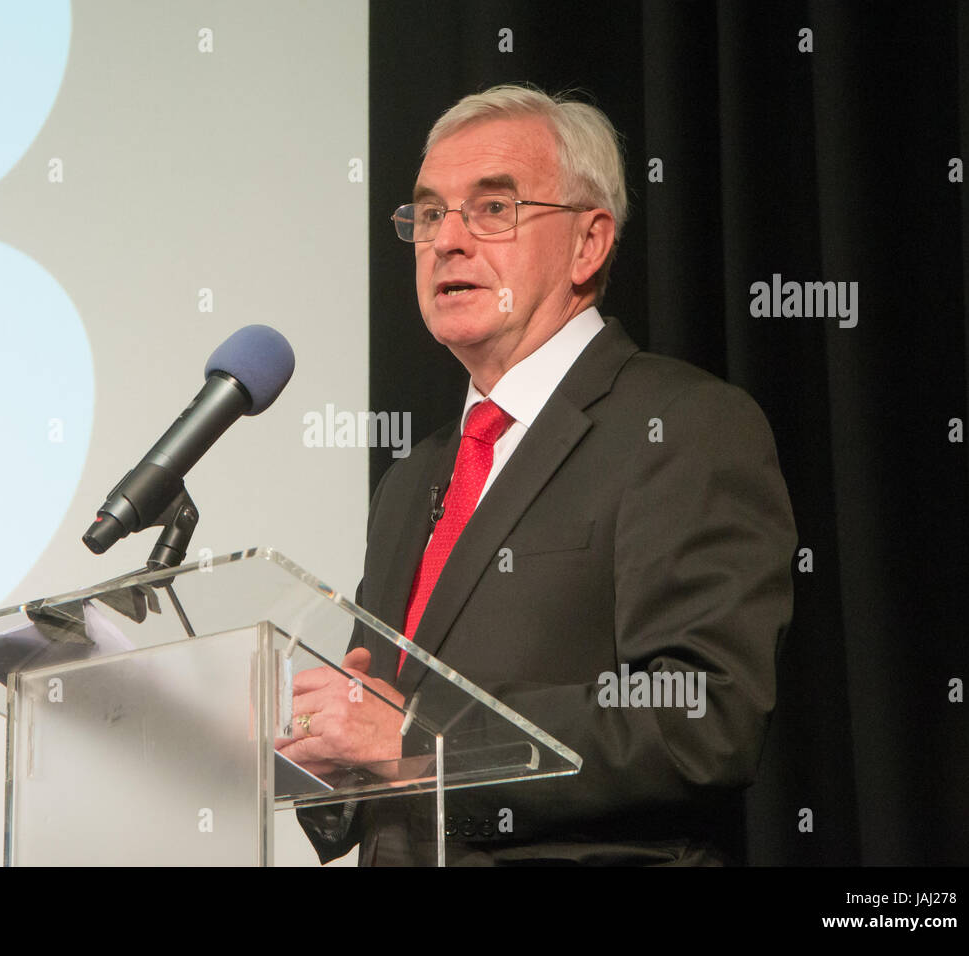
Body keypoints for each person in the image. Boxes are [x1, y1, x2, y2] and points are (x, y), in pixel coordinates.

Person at [279, 84, 796, 865]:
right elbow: (376, 741)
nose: (447, 240)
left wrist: (419, 739)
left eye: (493, 209)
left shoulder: (683, 426)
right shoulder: (411, 478)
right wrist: (322, 745)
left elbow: (702, 715)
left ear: (589, 244)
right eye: (427, 214)